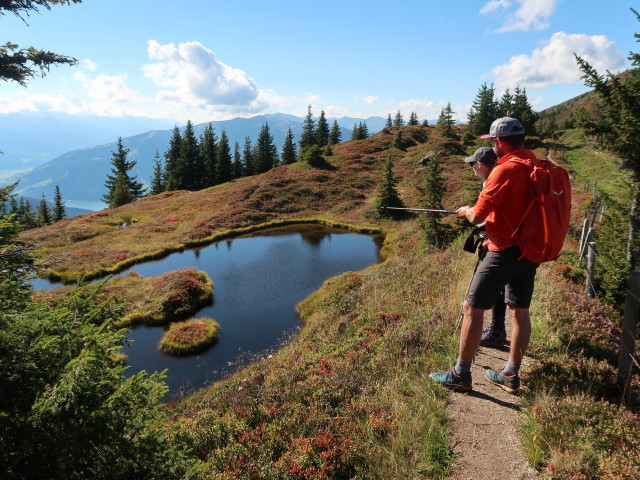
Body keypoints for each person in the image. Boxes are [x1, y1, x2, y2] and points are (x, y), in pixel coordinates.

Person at [430, 117, 539, 394]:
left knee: (472, 308)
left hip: (504, 250)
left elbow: (477, 215)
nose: (493, 146)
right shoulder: (535, 165)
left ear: (499, 141)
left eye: (492, 141)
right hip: (530, 250)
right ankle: (511, 374)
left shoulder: (505, 170)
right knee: (519, 311)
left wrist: (465, 210)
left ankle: (460, 374)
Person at [463, 147, 507, 348]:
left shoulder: (491, 184)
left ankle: (495, 332)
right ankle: (498, 329)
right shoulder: (503, 180)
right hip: (508, 243)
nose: (472, 168)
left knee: (476, 300)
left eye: (473, 164)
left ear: (480, 165)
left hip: (498, 245)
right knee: (503, 290)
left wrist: (467, 212)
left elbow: (478, 217)